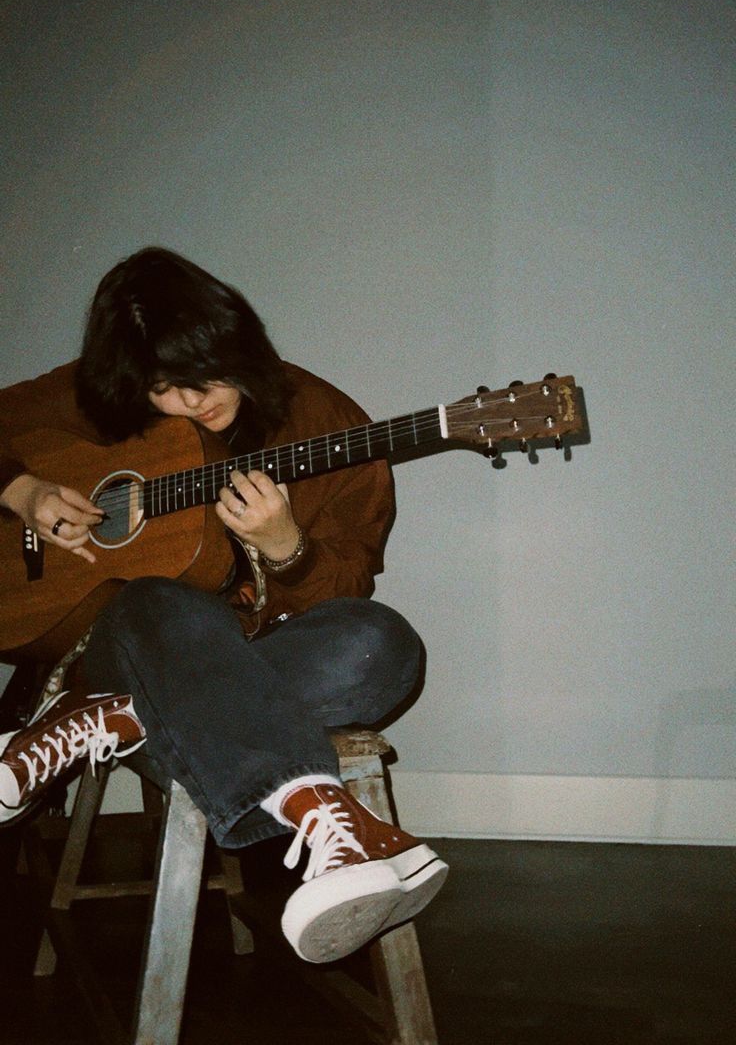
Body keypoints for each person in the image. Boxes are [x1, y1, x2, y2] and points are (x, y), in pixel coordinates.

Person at [0, 247, 447, 963]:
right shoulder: (98, 398)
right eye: (162, 390)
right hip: (129, 637)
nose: (190, 400)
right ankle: (327, 822)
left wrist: (286, 548)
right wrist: (22, 491)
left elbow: (347, 584)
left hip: (255, 655)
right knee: (161, 600)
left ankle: (119, 719)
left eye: (202, 372)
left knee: (382, 645)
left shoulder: (330, 423)